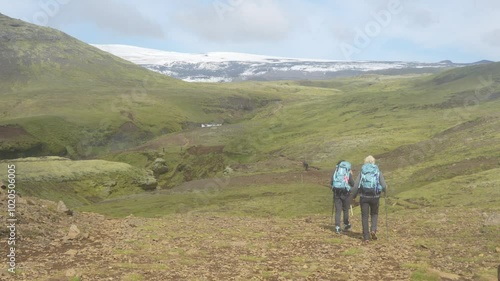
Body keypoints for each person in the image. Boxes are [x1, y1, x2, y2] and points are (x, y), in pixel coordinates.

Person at [351, 155, 387, 243]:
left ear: (365, 162)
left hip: (364, 197)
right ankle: (373, 230)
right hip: (375, 197)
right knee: (374, 214)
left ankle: (366, 237)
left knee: (364, 216)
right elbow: (384, 185)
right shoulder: (377, 171)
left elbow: (355, 186)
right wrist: (384, 192)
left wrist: (353, 196)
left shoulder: (362, 171)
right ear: (373, 162)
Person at [331, 160, 355, 234]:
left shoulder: (336, 172)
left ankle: (337, 227)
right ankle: (346, 223)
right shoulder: (348, 173)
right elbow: (353, 184)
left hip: (337, 192)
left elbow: (332, 182)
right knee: (345, 209)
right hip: (346, 193)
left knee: (338, 210)